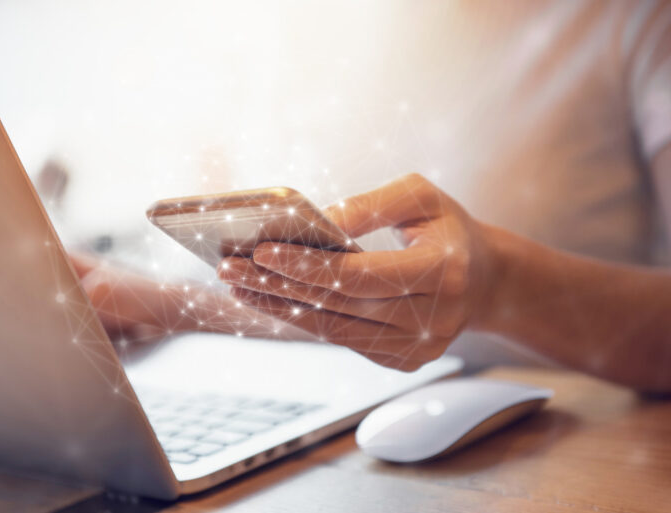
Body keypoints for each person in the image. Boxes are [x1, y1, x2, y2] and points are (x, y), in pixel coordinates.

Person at [71, 1, 671, 394]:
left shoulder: (637, 22)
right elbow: (342, 307)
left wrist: (500, 284)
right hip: (358, 443)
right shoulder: (325, 36)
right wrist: (159, 305)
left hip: (580, 452)